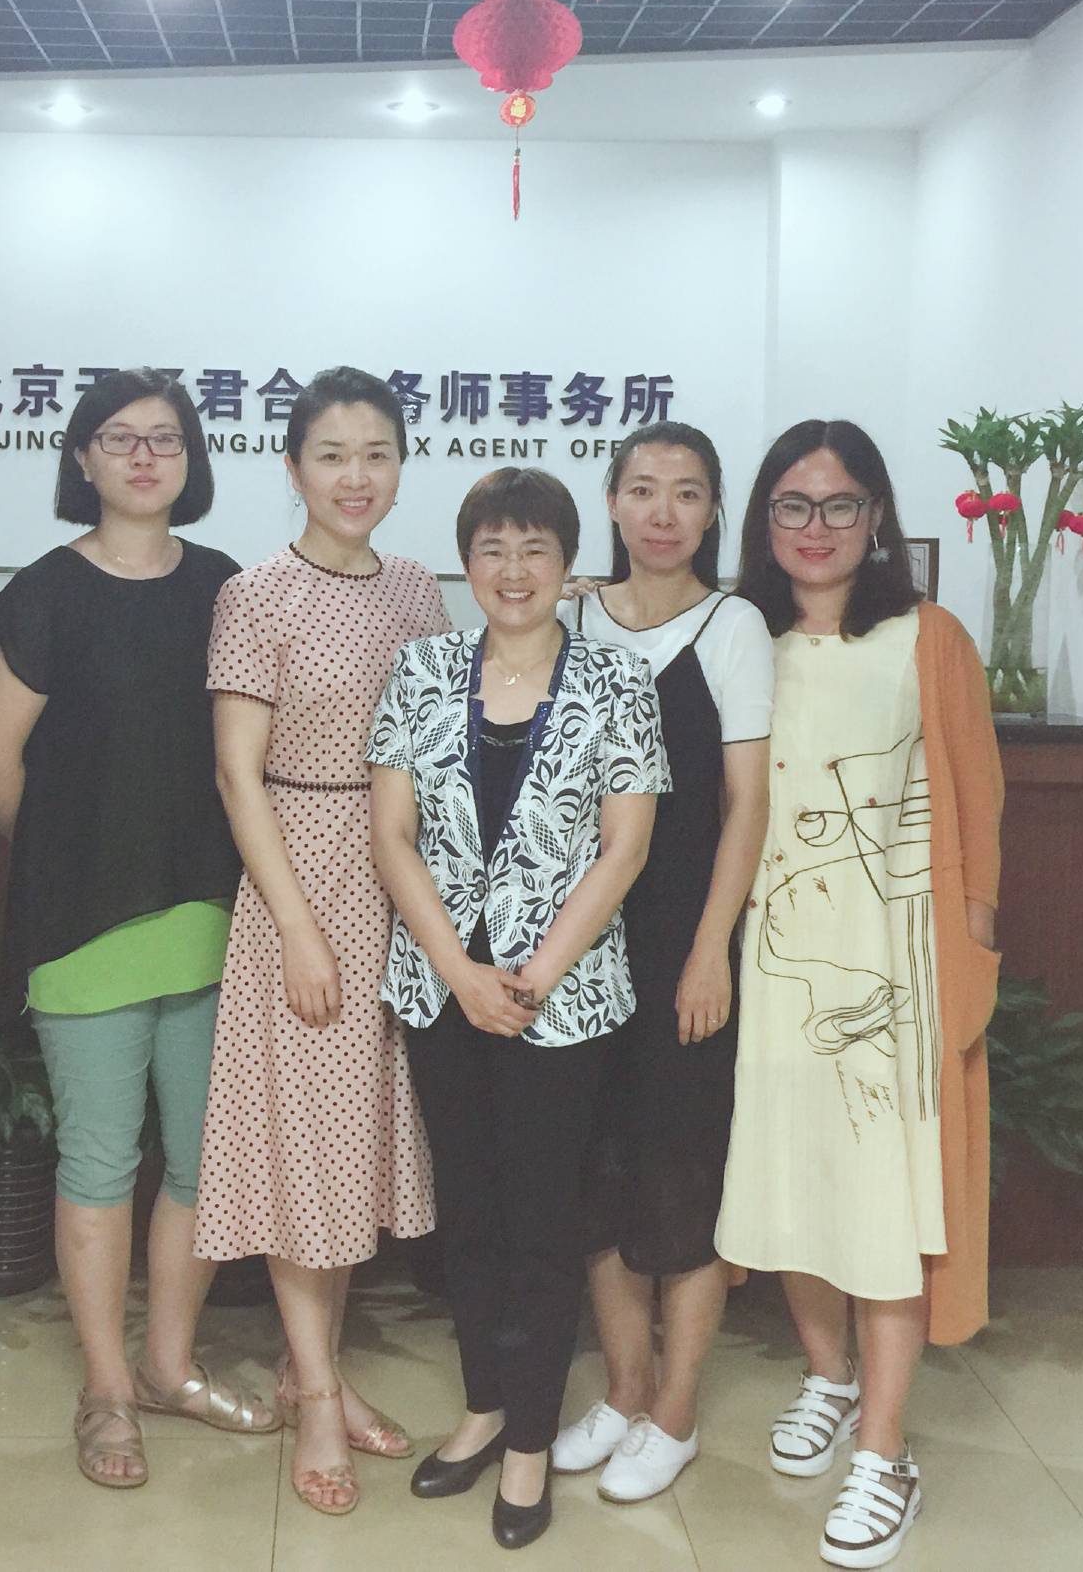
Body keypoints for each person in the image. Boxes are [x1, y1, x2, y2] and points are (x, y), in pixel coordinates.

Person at [0, 367, 276, 1491]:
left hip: (212, 916)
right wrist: (78, 852)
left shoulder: (227, 586)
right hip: (84, 924)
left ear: (192, 460)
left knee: (198, 1160)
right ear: (81, 458)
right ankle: (105, 1387)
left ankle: (168, 1365)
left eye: (166, 438)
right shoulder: (43, 595)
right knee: (99, 1159)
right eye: (120, 438)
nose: (145, 457)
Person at [715, 420, 1003, 1570]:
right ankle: (827, 1377)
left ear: (876, 515)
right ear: (763, 520)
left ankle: (885, 1451)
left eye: (840, 505)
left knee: (888, 1199)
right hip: (775, 966)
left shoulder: (927, 637)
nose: (816, 527)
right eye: (793, 505)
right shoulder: (740, 637)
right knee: (793, 1177)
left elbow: (977, 804)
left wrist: (971, 948)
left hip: (899, 971)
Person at [369, 467, 669, 1551]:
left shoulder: (618, 679)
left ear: (566, 563)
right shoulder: (422, 669)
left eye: (535, 548)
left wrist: (533, 974)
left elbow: (624, 848)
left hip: (565, 999)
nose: (512, 569)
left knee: (544, 1218)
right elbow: (392, 835)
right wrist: (459, 970)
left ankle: (532, 1438)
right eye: (492, 548)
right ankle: (485, 1406)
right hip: (442, 990)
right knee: (471, 1212)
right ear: (468, 562)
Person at [193, 366, 450, 1517]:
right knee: (305, 1151)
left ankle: (324, 1375)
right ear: (293, 467)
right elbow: (234, 775)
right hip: (299, 882)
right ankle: (313, 1399)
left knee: (351, 1154)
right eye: (333, 455)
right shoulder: (255, 595)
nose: (356, 476)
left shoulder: (416, 587)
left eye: (376, 454)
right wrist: (298, 927)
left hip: (399, 883)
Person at [550, 423, 774, 1502]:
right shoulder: (568, 618)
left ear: (714, 511)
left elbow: (745, 804)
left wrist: (710, 952)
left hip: (683, 937)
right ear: (611, 501)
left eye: (687, 492)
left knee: (681, 1173)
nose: (662, 512)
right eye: (642, 489)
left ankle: (676, 1410)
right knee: (593, 1169)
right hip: (576, 946)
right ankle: (626, 1386)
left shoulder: (734, 626)